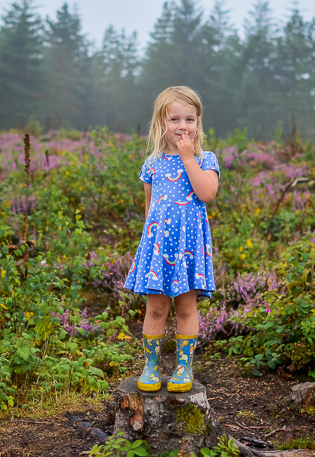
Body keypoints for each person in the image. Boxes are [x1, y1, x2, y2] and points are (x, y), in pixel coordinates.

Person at [123, 86, 220, 393]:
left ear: (198, 122)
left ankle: (183, 366)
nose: (182, 126)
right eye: (174, 119)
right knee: (155, 309)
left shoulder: (205, 159)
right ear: (161, 123)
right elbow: (150, 210)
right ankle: (151, 367)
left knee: (186, 309)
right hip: (160, 248)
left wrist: (188, 157)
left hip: (188, 250)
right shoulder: (152, 163)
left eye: (189, 119)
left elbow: (207, 193)